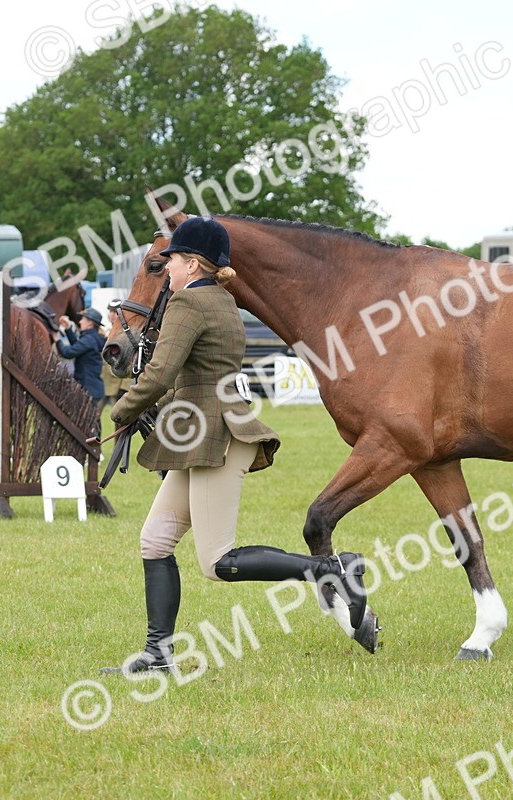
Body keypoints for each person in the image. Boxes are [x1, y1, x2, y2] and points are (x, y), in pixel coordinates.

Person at [101, 216, 372, 675]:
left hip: (215, 438)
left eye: (171, 262)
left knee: (218, 562)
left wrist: (122, 411)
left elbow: (162, 371)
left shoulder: (188, 304)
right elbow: (199, 375)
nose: (166, 270)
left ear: (191, 263)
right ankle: (157, 654)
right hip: (203, 432)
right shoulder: (222, 302)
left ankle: (332, 570)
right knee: (155, 540)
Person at [53, 307, 107, 412]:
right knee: (91, 424)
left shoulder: (89, 339)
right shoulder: (91, 338)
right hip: (91, 388)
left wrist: (57, 339)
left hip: (88, 389)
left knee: (89, 425)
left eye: (83, 319)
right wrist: (68, 329)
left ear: (90, 323)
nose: (80, 321)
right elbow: (78, 346)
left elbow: (68, 353)